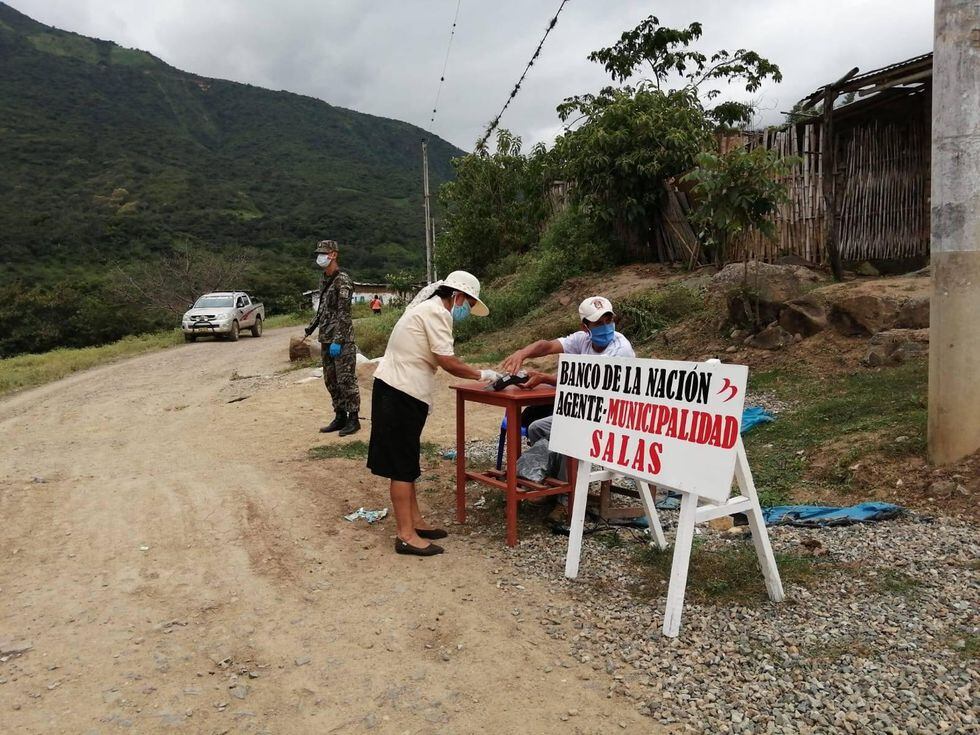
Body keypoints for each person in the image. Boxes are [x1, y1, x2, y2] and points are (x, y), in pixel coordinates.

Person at [368, 271, 500, 556]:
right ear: (458, 296)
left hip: (400, 390)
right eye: (467, 301)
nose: (465, 308)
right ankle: (405, 534)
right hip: (400, 391)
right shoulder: (437, 313)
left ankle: (415, 522)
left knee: (408, 459)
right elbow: (448, 361)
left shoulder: (426, 309)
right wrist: (484, 374)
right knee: (401, 464)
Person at [501, 295, 634, 479]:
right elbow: (547, 346)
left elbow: (589, 381)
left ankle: (565, 497)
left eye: (608, 320)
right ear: (585, 327)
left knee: (568, 432)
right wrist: (522, 353)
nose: (605, 326)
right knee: (535, 428)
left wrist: (544, 377)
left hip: (613, 415)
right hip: (585, 410)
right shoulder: (583, 340)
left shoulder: (620, 349)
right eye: (598, 323)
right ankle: (549, 481)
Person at [302, 239, 361, 436]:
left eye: (324, 252)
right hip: (326, 338)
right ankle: (339, 416)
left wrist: (338, 340)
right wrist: (310, 328)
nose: (320, 256)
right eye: (318, 252)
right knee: (331, 380)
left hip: (341, 341)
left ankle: (353, 419)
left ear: (334, 254)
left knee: (346, 380)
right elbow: (323, 310)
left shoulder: (343, 280)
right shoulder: (324, 279)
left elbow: (344, 314)